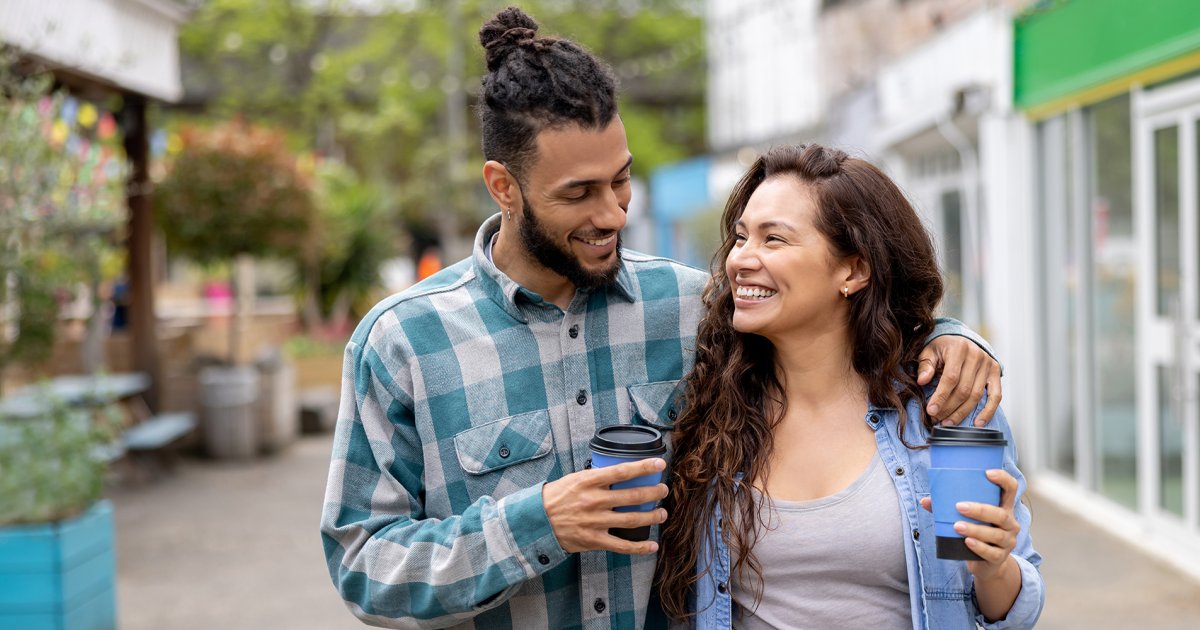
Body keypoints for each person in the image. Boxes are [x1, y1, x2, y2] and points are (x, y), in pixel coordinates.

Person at [320, 7, 1001, 629]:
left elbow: (825, 319)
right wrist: (538, 524)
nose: (613, 213)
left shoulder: (690, 307)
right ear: (504, 187)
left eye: (621, 180)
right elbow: (363, 567)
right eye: (578, 194)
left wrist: (943, 338)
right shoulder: (401, 342)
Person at [655, 144, 1044, 629]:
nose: (741, 260)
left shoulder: (945, 402)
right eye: (740, 237)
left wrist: (993, 567)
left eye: (773, 239)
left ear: (854, 270)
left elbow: (1015, 612)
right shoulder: (708, 399)